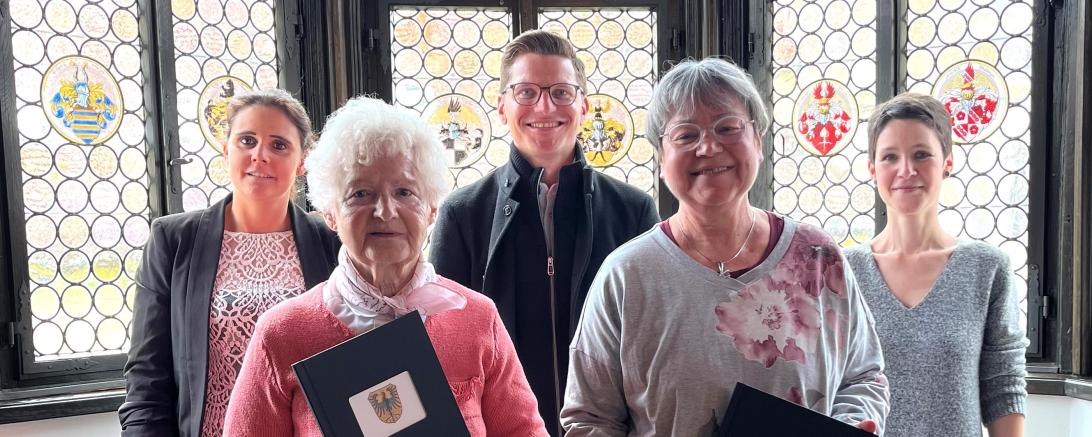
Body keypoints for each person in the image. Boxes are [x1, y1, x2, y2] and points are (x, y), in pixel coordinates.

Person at [561, 58, 890, 436]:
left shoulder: (816, 256)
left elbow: (863, 374)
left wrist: (852, 425)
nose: (709, 147)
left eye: (727, 128)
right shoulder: (627, 276)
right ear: (660, 158)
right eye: (686, 135)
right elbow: (589, 419)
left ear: (759, 141)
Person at [222, 96, 548, 437]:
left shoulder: (478, 319)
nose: (386, 212)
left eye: (405, 192)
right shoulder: (282, 334)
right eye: (361, 194)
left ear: (431, 208)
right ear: (330, 212)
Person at [429, 30, 659, 435]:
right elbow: (445, 353)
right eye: (526, 92)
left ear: (584, 106)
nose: (545, 105)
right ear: (502, 107)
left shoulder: (633, 212)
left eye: (561, 92)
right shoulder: (462, 215)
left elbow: (652, 349)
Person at [120, 89, 340, 437]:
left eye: (279, 145)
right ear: (227, 150)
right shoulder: (173, 241)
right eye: (247, 141)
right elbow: (147, 379)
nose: (260, 156)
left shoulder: (333, 240)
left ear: (302, 160)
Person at [844, 93, 1027, 437]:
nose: (906, 170)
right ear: (872, 169)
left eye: (921, 154)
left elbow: (1004, 388)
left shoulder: (987, 269)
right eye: (889, 157)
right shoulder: (844, 271)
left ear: (947, 162)